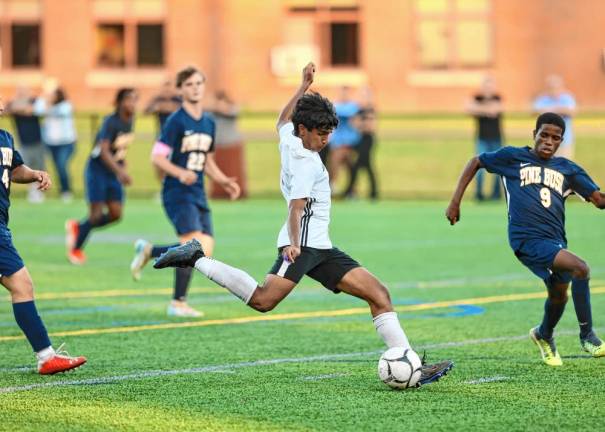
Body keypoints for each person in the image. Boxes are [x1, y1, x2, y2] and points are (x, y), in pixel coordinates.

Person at [152, 63, 453, 385]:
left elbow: (281, 119)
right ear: (305, 129)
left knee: (379, 293)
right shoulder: (306, 162)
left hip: (321, 247)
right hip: (302, 247)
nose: (325, 140)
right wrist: (294, 244)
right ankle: (196, 256)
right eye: (321, 133)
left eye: (329, 134)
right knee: (263, 300)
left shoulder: (291, 137)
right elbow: (296, 208)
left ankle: (413, 367)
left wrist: (302, 86)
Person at [446, 112, 605, 366]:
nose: (549, 141)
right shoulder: (513, 158)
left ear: (561, 141)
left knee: (558, 295)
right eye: (544, 135)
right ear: (534, 135)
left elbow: (598, 200)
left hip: (555, 241)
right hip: (525, 239)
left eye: (556, 138)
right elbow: (476, 161)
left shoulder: (568, 169)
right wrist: (455, 202)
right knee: (581, 268)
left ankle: (544, 334)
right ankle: (588, 336)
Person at [130, 67, 240, 317]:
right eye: (189, 84)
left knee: (204, 250)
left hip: (198, 192)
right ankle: (177, 303)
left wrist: (224, 181)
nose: (195, 88)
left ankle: (151, 251)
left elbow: (207, 161)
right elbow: (157, 157)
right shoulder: (175, 121)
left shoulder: (209, 122)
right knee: (192, 245)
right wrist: (179, 173)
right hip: (177, 192)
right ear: (181, 89)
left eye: (199, 83)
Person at [0, 95, 86, 374]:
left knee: (20, 286)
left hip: (3, 224)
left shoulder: (5, 136)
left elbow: (14, 170)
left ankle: (46, 356)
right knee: (22, 285)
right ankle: (46, 356)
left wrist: (35, 173)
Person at [65, 88, 137, 265]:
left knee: (116, 214)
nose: (132, 104)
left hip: (112, 172)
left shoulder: (130, 121)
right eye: (129, 100)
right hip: (97, 170)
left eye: (135, 100)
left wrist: (122, 163)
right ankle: (75, 250)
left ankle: (78, 227)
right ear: (119, 102)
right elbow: (104, 151)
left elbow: (118, 148)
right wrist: (120, 172)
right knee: (96, 215)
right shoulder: (110, 121)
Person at [34, 86, 77, 202]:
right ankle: (43, 191)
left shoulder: (65, 105)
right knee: (53, 166)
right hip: (51, 143)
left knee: (61, 165)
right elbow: (37, 110)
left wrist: (47, 104)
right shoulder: (44, 104)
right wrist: (45, 99)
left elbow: (56, 111)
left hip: (66, 142)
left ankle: (66, 191)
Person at [465, 76, 503, 201]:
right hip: (481, 138)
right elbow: (468, 109)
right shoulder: (477, 98)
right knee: (478, 167)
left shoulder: (498, 97)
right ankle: (479, 194)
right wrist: (485, 109)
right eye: (486, 86)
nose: (488, 89)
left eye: (490, 86)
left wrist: (479, 109)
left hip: (496, 138)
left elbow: (495, 110)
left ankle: (496, 195)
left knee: (498, 167)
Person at [7, 86, 46, 203]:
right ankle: (32, 192)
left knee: (39, 166)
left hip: (37, 141)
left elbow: (35, 109)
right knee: (25, 168)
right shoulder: (13, 104)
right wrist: (21, 108)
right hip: (23, 142)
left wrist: (22, 109)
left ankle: (39, 191)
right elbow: (8, 109)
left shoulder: (35, 101)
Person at [208, 90, 247, 198]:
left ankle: (238, 192)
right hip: (218, 144)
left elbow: (229, 113)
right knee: (219, 170)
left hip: (232, 143)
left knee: (233, 170)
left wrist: (219, 108)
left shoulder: (232, 109)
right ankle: (220, 193)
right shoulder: (212, 112)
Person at [343, 86, 378, 200]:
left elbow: (371, 127)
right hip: (359, 140)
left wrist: (360, 125)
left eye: (365, 96)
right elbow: (353, 123)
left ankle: (350, 191)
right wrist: (362, 125)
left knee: (361, 166)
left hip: (368, 140)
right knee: (364, 166)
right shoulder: (358, 110)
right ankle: (371, 193)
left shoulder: (371, 109)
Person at [533, 75, 576, 159]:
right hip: (544, 141)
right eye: (551, 87)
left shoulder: (567, 98)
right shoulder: (543, 98)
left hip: (564, 140)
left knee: (564, 168)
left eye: (556, 87)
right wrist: (559, 110)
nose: (553, 90)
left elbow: (571, 112)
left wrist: (550, 110)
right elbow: (534, 111)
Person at [327, 86, 360, 192]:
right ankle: (333, 184)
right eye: (342, 93)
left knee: (351, 167)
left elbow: (352, 117)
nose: (343, 95)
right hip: (337, 142)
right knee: (334, 162)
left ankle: (350, 189)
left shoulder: (353, 106)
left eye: (345, 93)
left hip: (351, 142)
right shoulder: (335, 105)